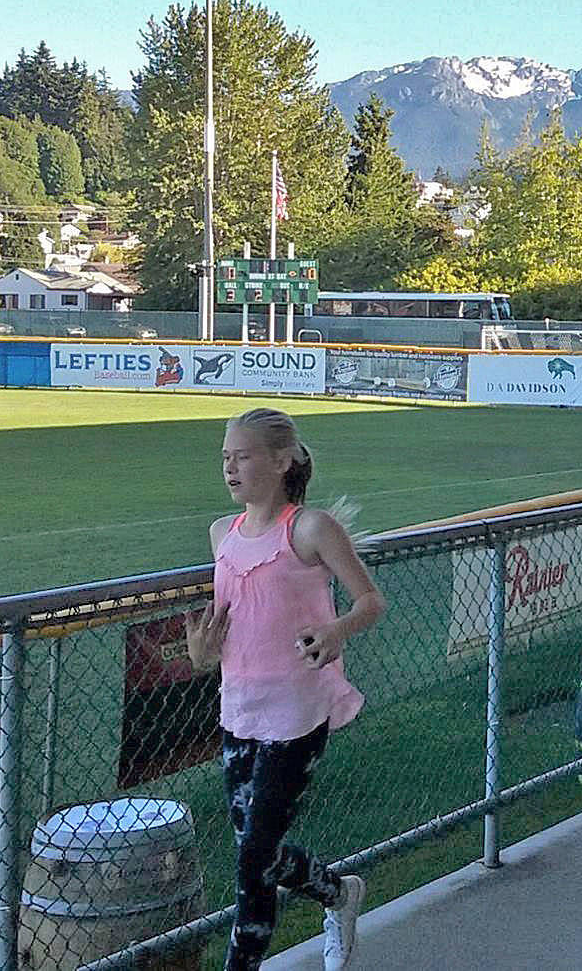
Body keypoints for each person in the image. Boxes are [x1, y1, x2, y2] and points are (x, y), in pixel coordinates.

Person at [185, 408, 387, 971]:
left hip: (297, 713)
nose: (229, 467)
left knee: (252, 859)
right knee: (260, 853)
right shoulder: (220, 535)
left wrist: (335, 630)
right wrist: (202, 655)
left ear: (280, 461)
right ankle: (338, 893)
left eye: (242, 456)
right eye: (225, 457)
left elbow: (371, 602)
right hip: (238, 712)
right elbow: (228, 624)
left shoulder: (310, 529)